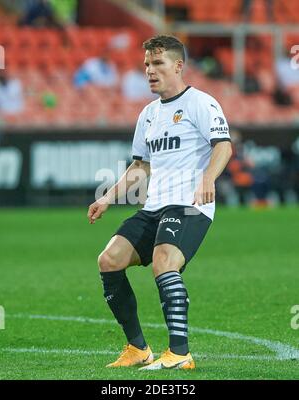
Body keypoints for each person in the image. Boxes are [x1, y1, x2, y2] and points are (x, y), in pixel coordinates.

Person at [87, 35, 232, 370]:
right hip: (154, 206)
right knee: (109, 260)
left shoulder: (201, 103)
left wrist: (208, 178)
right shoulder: (148, 114)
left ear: (178, 66)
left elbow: (223, 146)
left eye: (158, 63)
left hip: (189, 204)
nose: (150, 71)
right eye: (146, 65)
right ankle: (138, 348)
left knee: (164, 262)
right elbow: (141, 167)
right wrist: (108, 197)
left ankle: (180, 354)